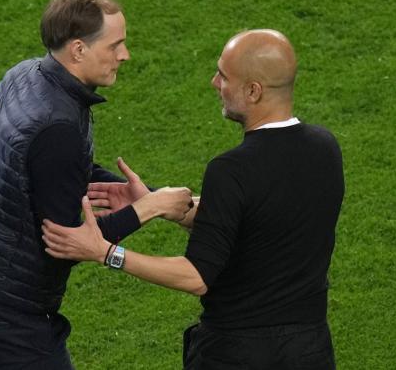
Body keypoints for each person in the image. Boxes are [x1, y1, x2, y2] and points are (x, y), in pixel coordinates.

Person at [42, 29, 345, 369]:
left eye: (224, 76)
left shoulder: (232, 170)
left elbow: (196, 276)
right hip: (310, 349)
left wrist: (106, 252)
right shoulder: (326, 148)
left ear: (253, 91)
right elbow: (260, 218)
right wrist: (156, 203)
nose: (215, 83)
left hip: (237, 353)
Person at [0, 0, 192, 369]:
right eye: (115, 45)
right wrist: (148, 209)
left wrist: (141, 195)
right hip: (7, 317)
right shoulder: (59, 126)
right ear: (78, 50)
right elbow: (68, 244)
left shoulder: (24, 76)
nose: (125, 55)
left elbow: (50, 171)